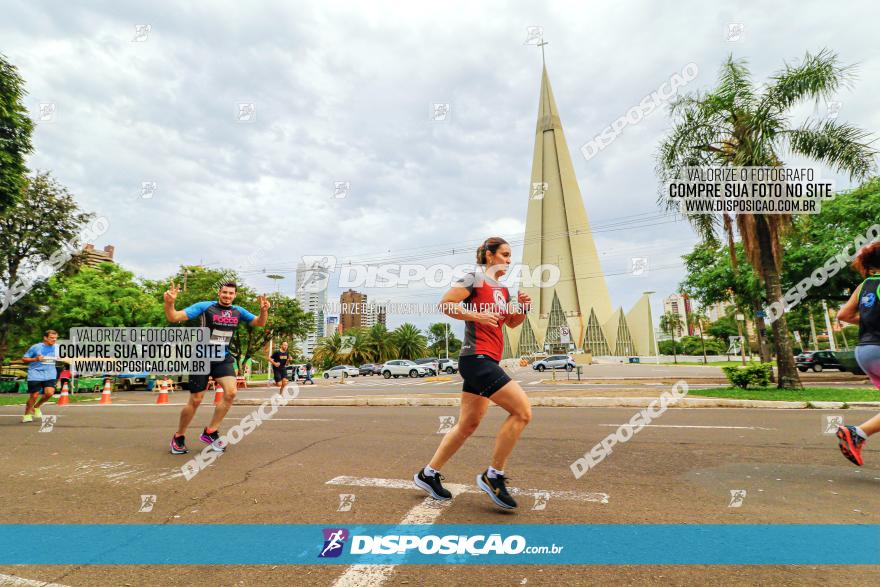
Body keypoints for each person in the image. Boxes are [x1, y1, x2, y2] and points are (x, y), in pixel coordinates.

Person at [413, 237, 532, 509]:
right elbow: (446, 304)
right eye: (504, 254)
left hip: (488, 359)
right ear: (489, 256)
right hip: (476, 359)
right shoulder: (473, 279)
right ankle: (494, 476)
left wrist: (523, 308)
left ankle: (428, 474)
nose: (509, 260)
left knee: (467, 425)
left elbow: (511, 324)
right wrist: (477, 316)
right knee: (522, 412)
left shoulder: (502, 290)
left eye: (510, 255)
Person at [164, 281, 269, 454]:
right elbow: (174, 317)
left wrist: (263, 311)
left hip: (222, 358)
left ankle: (210, 432)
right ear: (219, 293)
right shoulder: (205, 307)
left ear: (235, 295)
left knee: (231, 392)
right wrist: (170, 303)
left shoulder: (238, 311)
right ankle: (179, 436)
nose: (227, 296)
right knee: (196, 400)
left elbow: (259, 323)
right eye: (224, 292)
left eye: (231, 293)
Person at [836, 241, 880, 466]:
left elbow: (843, 314)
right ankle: (858, 433)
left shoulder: (865, 286)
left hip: (865, 351)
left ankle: (858, 434)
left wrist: (869, 321)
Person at [21, 330, 59, 423]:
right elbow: (24, 359)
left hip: (50, 373)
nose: (54, 340)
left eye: (55, 338)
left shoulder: (57, 348)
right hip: (35, 373)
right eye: (51, 338)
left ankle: (37, 406)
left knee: (49, 393)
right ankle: (27, 414)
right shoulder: (36, 347)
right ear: (45, 338)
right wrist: (35, 359)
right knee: (34, 395)